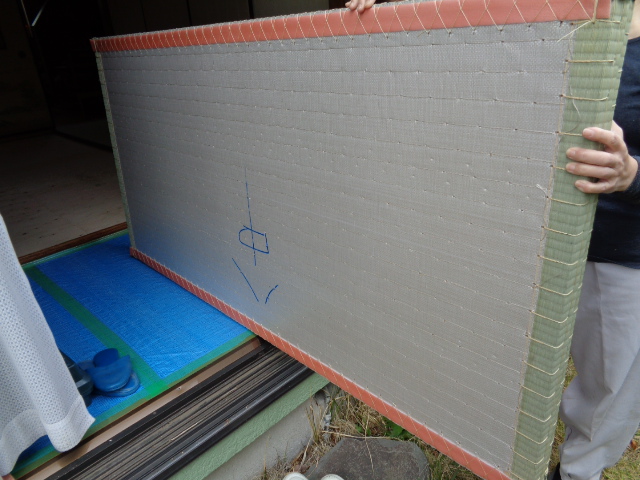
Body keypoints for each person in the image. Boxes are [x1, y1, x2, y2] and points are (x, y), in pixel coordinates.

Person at [346, 1, 640, 479]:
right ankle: (492, 452)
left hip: (619, 252)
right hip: (526, 235)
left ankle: (577, 473)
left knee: (609, 388)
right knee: (503, 363)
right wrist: (387, 16)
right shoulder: (545, 15)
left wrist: (631, 174)